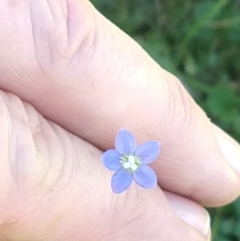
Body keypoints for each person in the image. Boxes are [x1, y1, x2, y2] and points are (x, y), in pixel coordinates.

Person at [0, 1, 239, 240]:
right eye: (131, 160)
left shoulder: (136, 162)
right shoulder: (125, 156)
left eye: (133, 161)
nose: (132, 162)